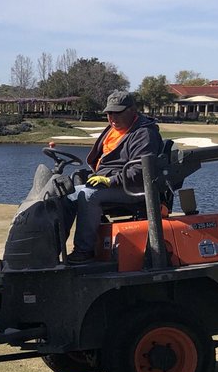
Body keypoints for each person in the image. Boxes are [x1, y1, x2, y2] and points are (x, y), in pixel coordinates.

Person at [65, 90, 163, 263]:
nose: (112, 118)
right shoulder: (112, 129)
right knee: (66, 194)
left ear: (132, 110)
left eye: (117, 112)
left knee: (89, 196)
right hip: (109, 182)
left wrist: (111, 180)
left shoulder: (144, 134)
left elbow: (141, 171)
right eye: (109, 113)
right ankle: (53, 249)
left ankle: (84, 250)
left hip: (133, 188)